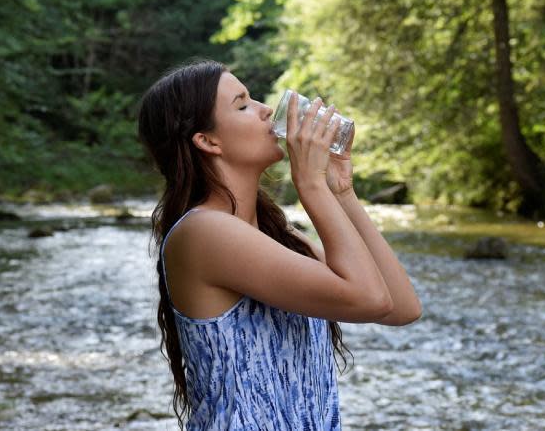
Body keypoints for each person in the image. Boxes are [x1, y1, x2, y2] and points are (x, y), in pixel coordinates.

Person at [137, 60, 422, 430]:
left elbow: (401, 307)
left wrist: (341, 191)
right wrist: (312, 186)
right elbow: (370, 298)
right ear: (208, 141)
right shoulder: (204, 233)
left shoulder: (278, 238)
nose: (266, 110)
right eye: (242, 105)